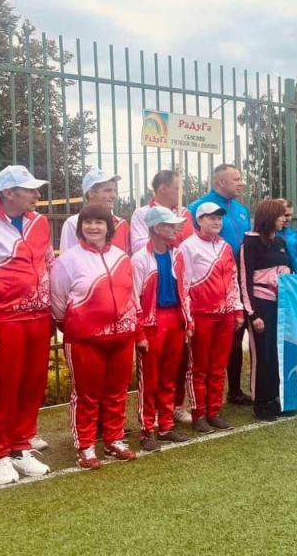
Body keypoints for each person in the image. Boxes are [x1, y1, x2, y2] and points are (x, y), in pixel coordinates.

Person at [0, 165, 54, 485]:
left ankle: (20, 446)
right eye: (29, 190)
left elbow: (49, 265)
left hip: (39, 317)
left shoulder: (40, 222)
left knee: (31, 384)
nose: (36, 194)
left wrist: (54, 308)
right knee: (1, 387)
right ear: (8, 193)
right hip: (2, 319)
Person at [50, 204, 142, 470]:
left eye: (99, 222)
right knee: (87, 395)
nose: (93, 227)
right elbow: (58, 301)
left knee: (116, 392)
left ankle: (114, 440)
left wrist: (131, 327)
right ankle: (86, 445)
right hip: (84, 339)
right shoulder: (68, 259)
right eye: (87, 222)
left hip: (122, 337)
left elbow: (132, 294)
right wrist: (76, 326)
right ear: (80, 227)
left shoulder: (123, 257)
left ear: (108, 227)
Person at [129, 169, 195, 425]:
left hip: (175, 313)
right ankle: (149, 422)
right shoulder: (141, 222)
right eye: (169, 226)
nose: (175, 230)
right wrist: (139, 331)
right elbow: (134, 294)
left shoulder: (180, 243)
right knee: (152, 373)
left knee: (172, 370)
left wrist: (187, 320)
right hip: (152, 316)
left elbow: (185, 281)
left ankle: (168, 417)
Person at [187, 164, 252, 406]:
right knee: (207, 350)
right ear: (219, 181)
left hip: (238, 283)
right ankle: (198, 404)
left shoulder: (242, 210)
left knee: (237, 336)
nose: (241, 182)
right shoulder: (196, 208)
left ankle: (234, 391)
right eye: (236, 178)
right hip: (209, 289)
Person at [179, 202, 245, 433]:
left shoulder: (226, 246)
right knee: (199, 368)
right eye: (211, 217)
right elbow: (183, 285)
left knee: (218, 367)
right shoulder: (187, 247)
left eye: (219, 217)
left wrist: (237, 309)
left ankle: (213, 412)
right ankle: (198, 414)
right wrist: (189, 319)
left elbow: (234, 280)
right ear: (199, 220)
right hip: (201, 316)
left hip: (225, 316)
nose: (217, 221)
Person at [239, 199, 292, 420]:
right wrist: (253, 314)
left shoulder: (280, 241)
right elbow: (244, 281)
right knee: (262, 355)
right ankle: (260, 402)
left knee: (276, 353)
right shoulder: (249, 243)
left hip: (280, 305)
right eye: (281, 216)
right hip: (261, 305)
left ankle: (273, 397)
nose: (284, 219)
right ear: (270, 217)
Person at [60, 168, 130, 253]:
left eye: (114, 190)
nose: (114, 195)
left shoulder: (122, 224)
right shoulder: (73, 223)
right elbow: (67, 262)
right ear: (91, 193)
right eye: (108, 191)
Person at [129, 169, 194, 254]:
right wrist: (163, 234)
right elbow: (137, 248)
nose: (183, 193)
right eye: (178, 188)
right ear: (163, 189)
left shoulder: (184, 212)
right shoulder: (142, 214)